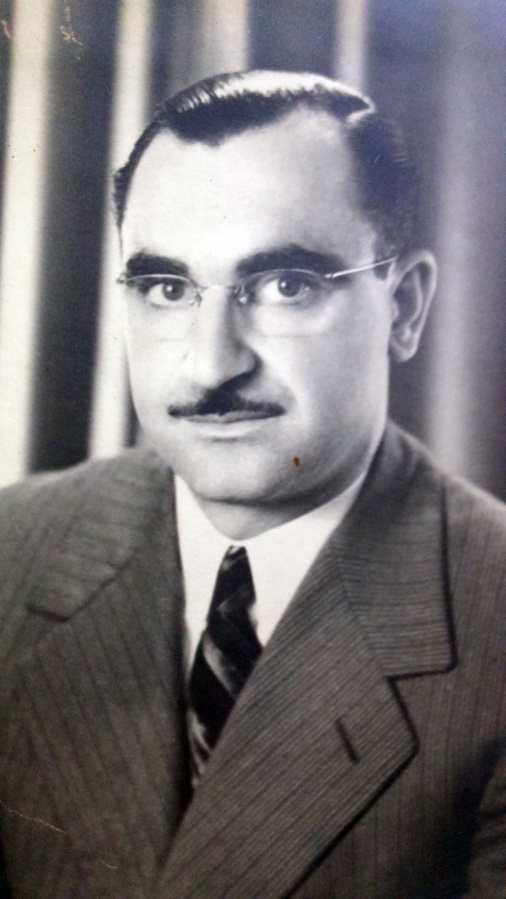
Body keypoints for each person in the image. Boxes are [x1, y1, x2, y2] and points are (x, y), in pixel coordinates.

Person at [0, 70, 504, 899]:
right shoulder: (14, 552)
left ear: (406, 307)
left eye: (284, 286)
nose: (211, 363)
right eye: (167, 289)